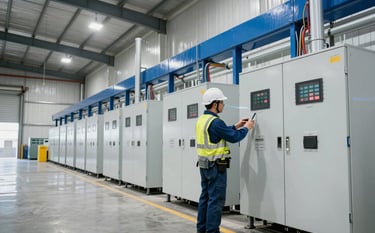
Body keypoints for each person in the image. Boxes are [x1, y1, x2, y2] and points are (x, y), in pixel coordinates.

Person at [196, 87, 254, 233]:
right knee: (215, 201)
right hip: (216, 168)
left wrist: (236, 125)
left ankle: (202, 230)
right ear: (215, 104)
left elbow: (218, 133)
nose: (223, 105)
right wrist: (247, 128)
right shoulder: (216, 122)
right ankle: (212, 231)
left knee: (205, 199)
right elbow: (234, 138)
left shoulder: (203, 120)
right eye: (221, 102)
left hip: (204, 166)